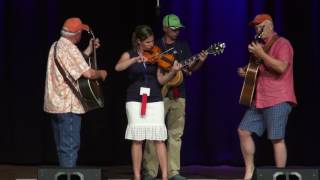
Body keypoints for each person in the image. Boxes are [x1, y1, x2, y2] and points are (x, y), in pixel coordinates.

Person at [143, 14, 208, 180]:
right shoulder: (155, 45)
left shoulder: (182, 46)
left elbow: (190, 70)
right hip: (158, 95)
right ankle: (150, 171)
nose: (177, 31)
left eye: (179, 28)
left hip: (179, 95)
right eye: (174, 29)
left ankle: (173, 172)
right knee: (153, 133)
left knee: (175, 134)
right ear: (165, 28)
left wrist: (200, 61)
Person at [115, 25, 182, 180]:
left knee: (159, 138)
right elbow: (118, 67)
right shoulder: (129, 54)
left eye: (152, 41)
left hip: (154, 99)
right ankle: (137, 176)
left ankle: (164, 176)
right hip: (135, 99)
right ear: (139, 41)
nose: (152, 45)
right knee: (137, 139)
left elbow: (160, 79)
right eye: (148, 42)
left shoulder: (156, 55)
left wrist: (172, 71)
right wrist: (135, 59)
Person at [237, 14, 297, 180]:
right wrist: (246, 70)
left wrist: (261, 54)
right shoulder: (261, 46)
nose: (257, 30)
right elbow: (258, 69)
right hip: (259, 98)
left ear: (270, 26)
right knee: (243, 131)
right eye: (255, 27)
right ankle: (249, 171)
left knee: (276, 138)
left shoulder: (282, 44)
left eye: (260, 26)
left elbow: (281, 67)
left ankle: (280, 176)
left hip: (277, 97)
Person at [43, 17, 107, 168]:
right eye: (80, 33)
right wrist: (102, 73)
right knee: (70, 147)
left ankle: (64, 175)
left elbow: (74, 63)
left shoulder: (56, 45)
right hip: (68, 105)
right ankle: (68, 175)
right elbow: (88, 74)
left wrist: (90, 49)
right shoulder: (70, 48)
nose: (81, 36)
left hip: (55, 105)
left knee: (62, 147)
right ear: (76, 34)